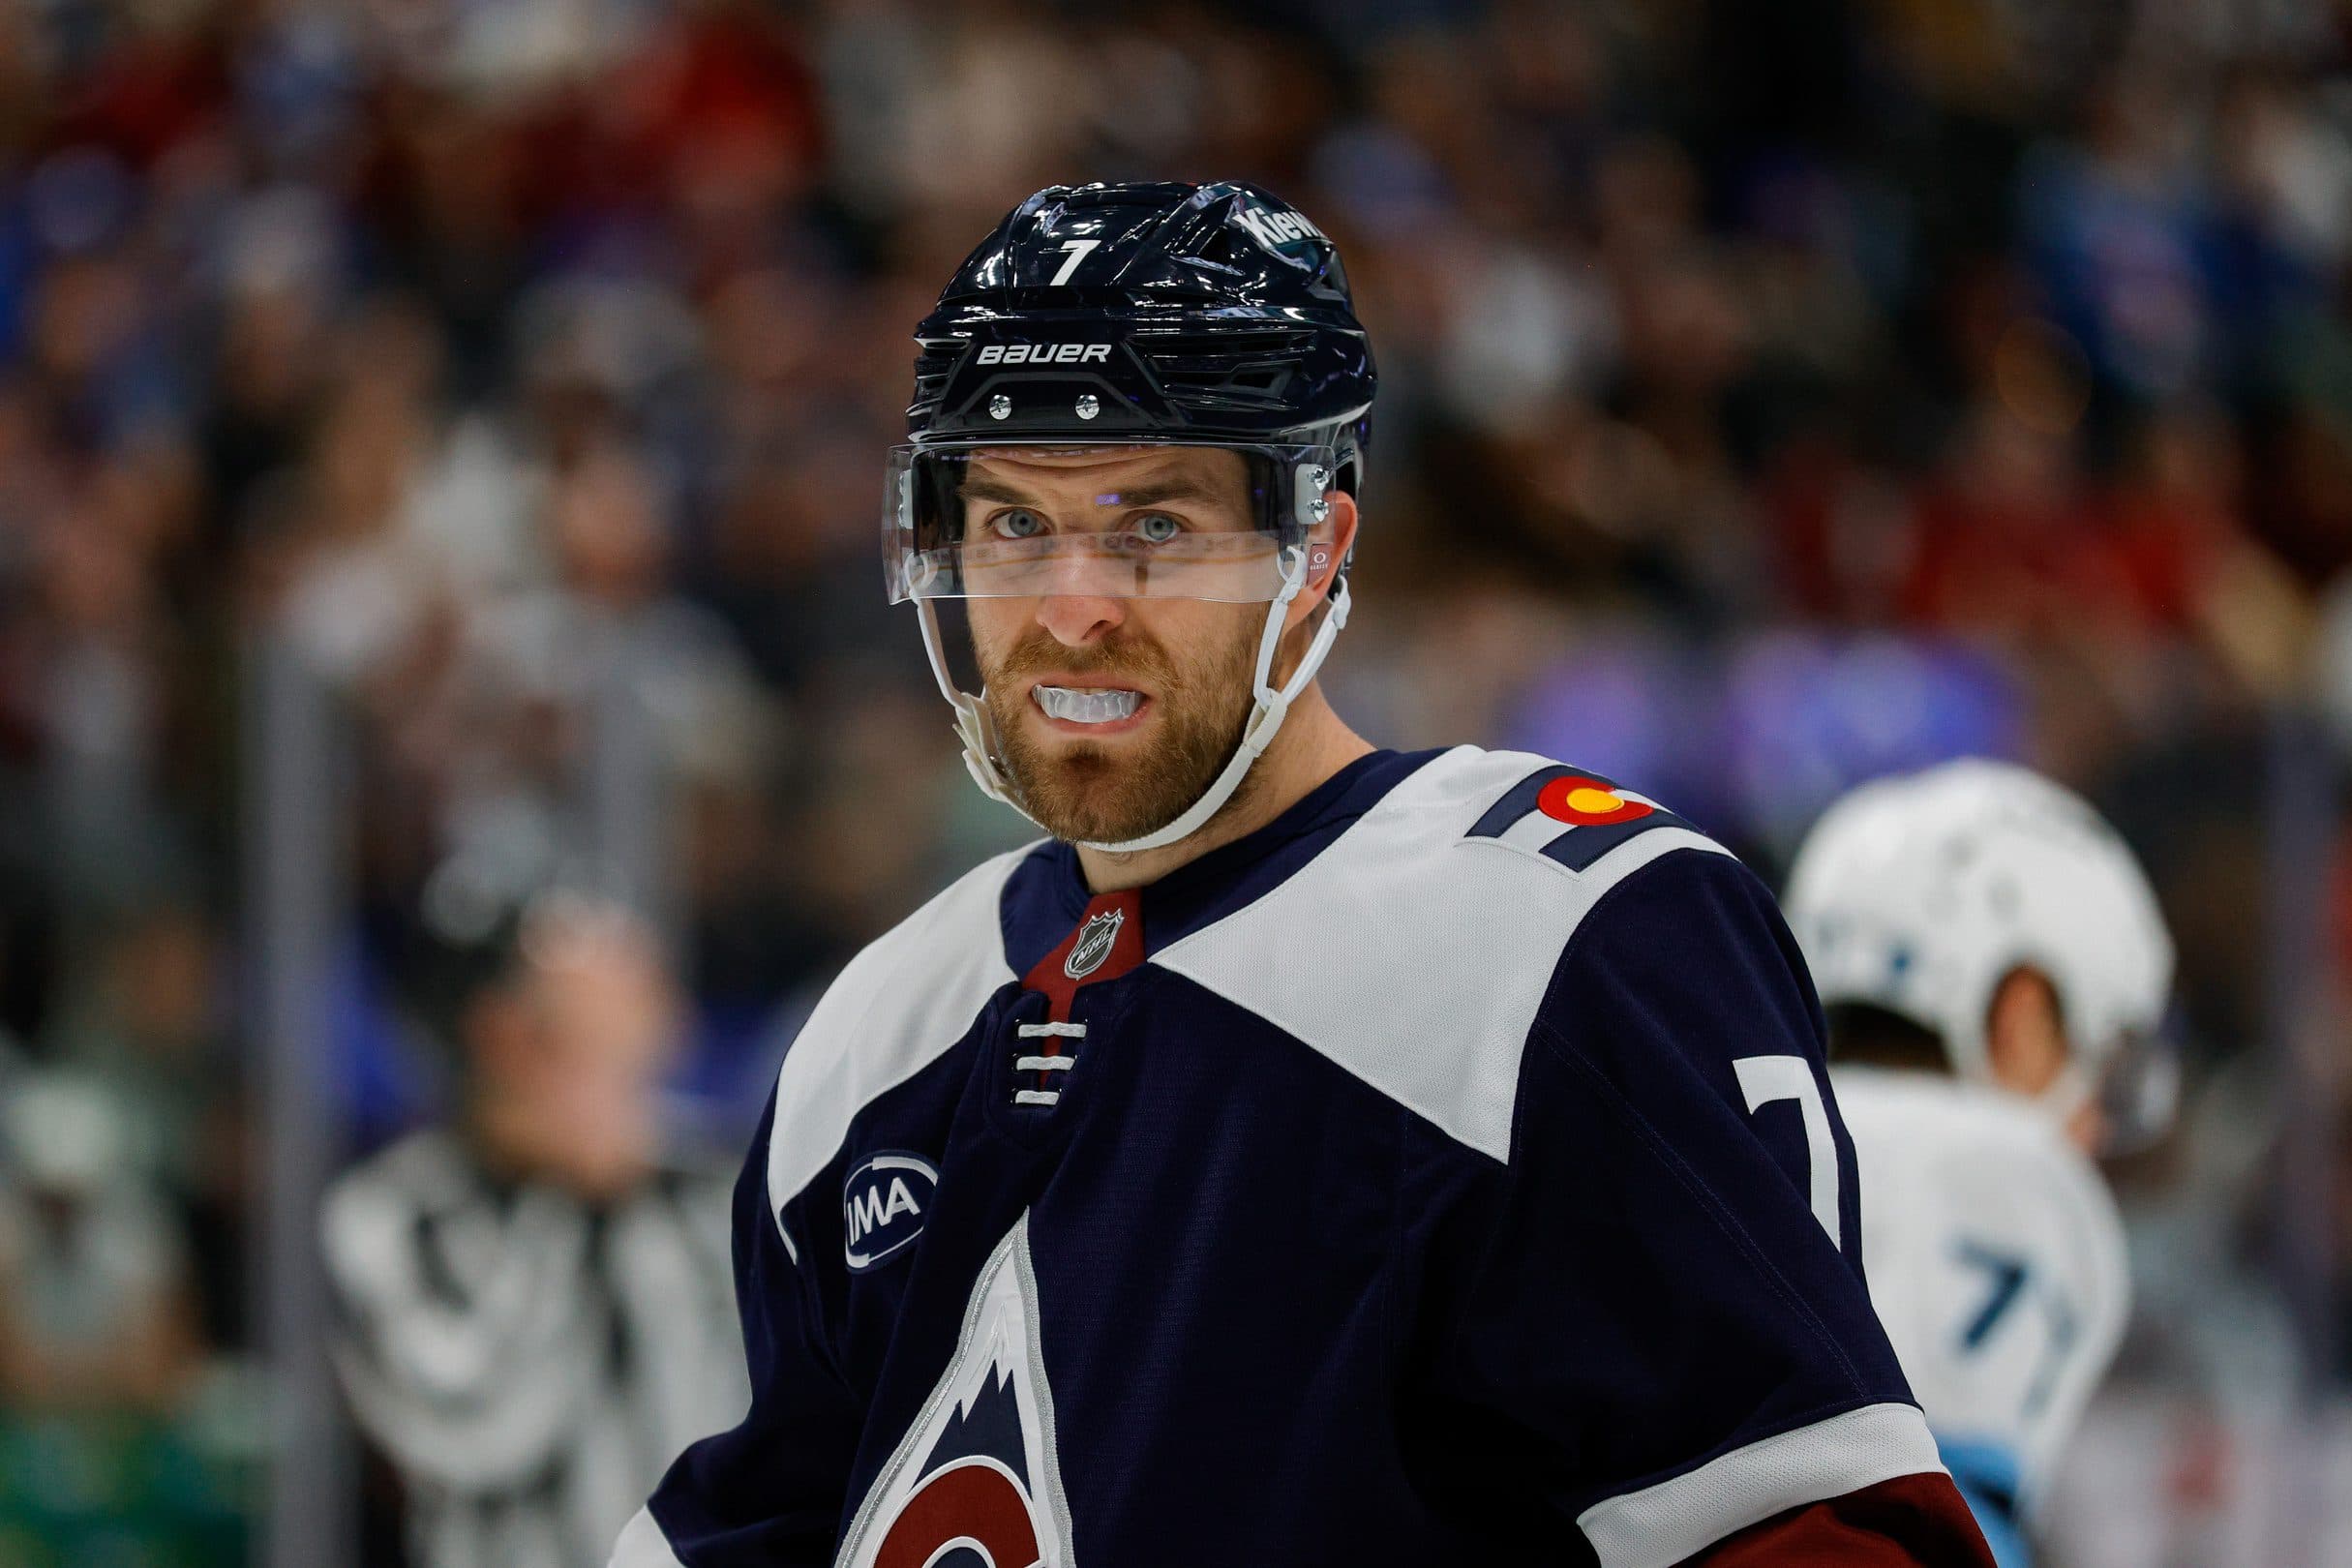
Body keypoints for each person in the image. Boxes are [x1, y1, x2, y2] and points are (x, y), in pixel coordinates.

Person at [612, 181, 1991, 1568]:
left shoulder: (1566, 932)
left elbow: (1813, 1525)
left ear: (1316, 546)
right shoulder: (877, 1028)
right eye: (1015, 525)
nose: (1074, 605)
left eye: (1155, 525)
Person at [1781, 759, 2177, 1568]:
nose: (2097, 1126)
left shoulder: (1712, 1142)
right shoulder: (2000, 1177)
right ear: (2021, 1019)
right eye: (2100, 1065)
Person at [324, 893, 746, 1568]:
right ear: (502, 1034)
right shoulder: (398, 1212)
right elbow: (473, 1427)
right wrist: (572, 1198)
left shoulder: (721, 1189)